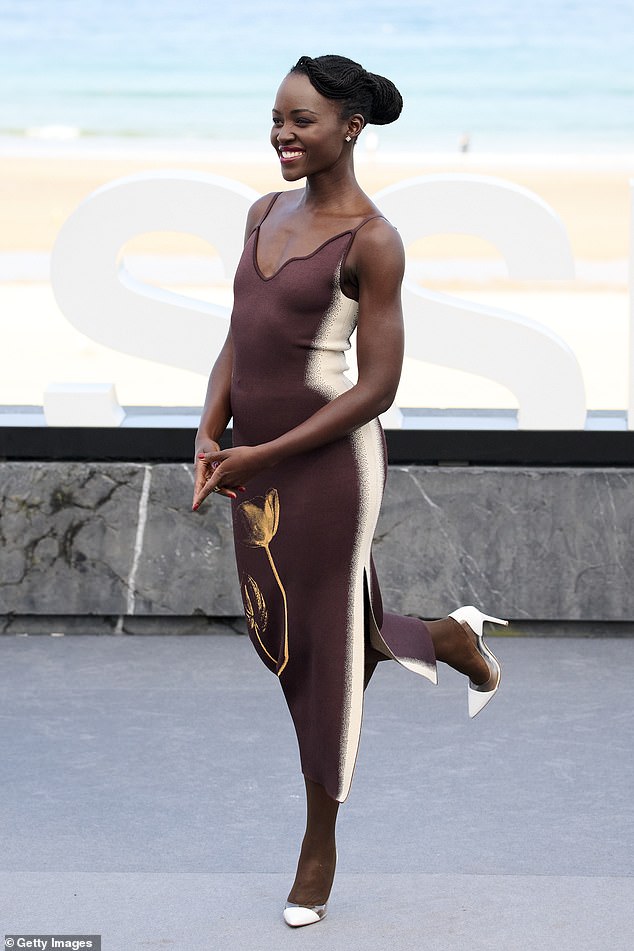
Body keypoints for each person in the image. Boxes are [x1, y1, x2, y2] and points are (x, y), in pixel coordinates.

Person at [192, 54, 506, 928]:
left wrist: (263, 452)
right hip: (254, 459)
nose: (283, 135)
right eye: (277, 118)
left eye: (302, 121)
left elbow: (377, 387)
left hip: (330, 463)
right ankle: (447, 636)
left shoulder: (373, 237)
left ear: (350, 128)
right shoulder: (262, 212)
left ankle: (317, 844)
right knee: (284, 633)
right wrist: (209, 429)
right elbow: (241, 335)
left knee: (323, 651)